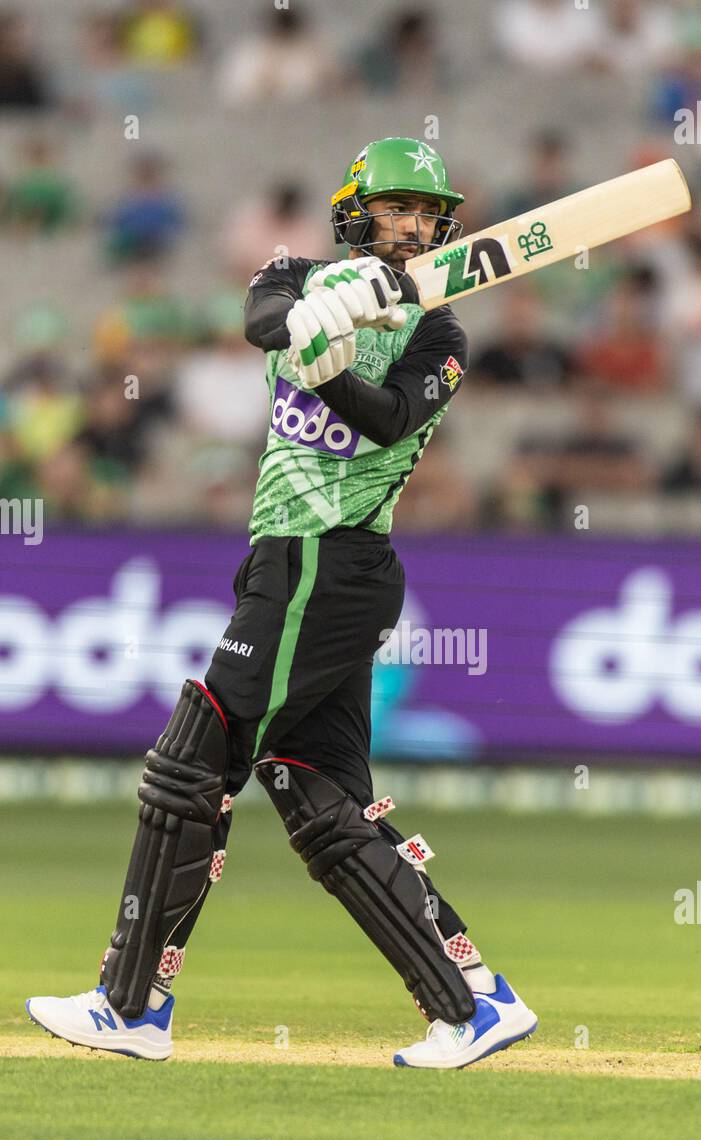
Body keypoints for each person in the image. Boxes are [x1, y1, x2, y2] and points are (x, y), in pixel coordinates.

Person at [25, 137, 537, 1071]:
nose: (413, 227)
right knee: (320, 798)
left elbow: (386, 418)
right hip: (288, 563)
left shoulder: (441, 336)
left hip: (328, 561)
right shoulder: (298, 274)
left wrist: (333, 367)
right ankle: (471, 1003)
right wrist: (313, 317)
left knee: (193, 759)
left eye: (426, 214)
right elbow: (261, 316)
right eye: (393, 209)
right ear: (354, 212)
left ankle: (130, 1003)